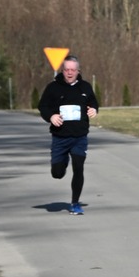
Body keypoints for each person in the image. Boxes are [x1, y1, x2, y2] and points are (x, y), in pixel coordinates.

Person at [38, 54, 99, 215]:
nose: (70, 73)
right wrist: (51, 116)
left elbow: (93, 102)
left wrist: (94, 109)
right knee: (57, 173)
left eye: (73, 70)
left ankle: (75, 203)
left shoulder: (85, 87)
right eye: (67, 70)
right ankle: (62, 161)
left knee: (78, 168)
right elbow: (43, 106)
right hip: (60, 137)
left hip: (79, 137)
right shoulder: (53, 87)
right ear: (62, 70)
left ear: (78, 71)